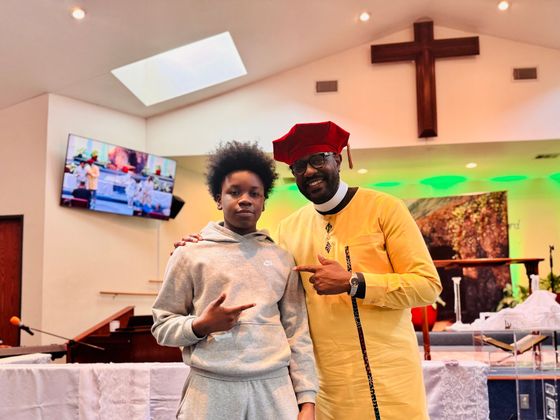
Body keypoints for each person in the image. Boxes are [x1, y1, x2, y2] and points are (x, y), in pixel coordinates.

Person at [177, 122, 442, 420]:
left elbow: (427, 286)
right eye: (299, 166)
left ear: (337, 159)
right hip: (327, 386)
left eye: (318, 159)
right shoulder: (288, 229)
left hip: (388, 376)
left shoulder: (384, 209)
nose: (310, 171)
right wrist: (199, 243)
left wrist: (354, 282)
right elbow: (252, 263)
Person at [152, 141, 317, 420]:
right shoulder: (189, 254)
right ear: (219, 199)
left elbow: (297, 332)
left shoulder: (282, 258)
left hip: (274, 390)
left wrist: (307, 399)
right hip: (210, 390)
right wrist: (200, 325)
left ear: (263, 202)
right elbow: (162, 325)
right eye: (234, 192)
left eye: (255, 193)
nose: (245, 199)